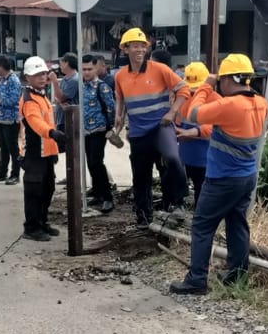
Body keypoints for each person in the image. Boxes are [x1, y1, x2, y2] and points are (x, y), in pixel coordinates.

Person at [169, 54, 267, 296]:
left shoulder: (229, 105)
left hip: (223, 177)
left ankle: (197, 279)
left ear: (227, 80)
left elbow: (192, 114)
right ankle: (237, 274)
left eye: (221, 80)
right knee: (237, 224)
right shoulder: (260, 102)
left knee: (202, 226)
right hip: (247, 176)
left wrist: (205, 85)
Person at [112, 28, 190, 228]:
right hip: (138, 132)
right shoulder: (121, 76)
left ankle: (179, 202)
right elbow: (121, 101)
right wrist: (118, 122)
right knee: (141, 176)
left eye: (142, 46)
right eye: (135, 46)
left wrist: (172, 113)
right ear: (125, 50)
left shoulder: (160, 69)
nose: (139, 50)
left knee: (173, 159)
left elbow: (183, 89)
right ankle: (144, 217)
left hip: (161, 126)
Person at [19, 57, 67, 241]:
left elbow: (48, 120)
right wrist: (52, 133)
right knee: (34, 191)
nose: (42, 77)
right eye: (37, 75)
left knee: (48, 189)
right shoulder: (30, 98)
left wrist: (55, 147)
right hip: (33, 153)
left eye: (44, 74)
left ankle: (42, 221)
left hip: (46, 152)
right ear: (27, 78)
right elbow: (36, 123)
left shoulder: (42, 95)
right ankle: (31, 227)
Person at [81, 55, 116, 215]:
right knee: (90, 163)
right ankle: (97, 192)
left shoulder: (102, 87)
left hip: (99, 130)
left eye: (89, 69)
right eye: (84, 69)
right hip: (85, 131)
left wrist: (112, 127)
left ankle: (108, 197)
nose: (86, 72)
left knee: (96, 162)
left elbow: (111, 108)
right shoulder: (82, 87)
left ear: (96, 68)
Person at [176, 62, 214, 200]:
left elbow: (215, 128)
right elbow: (178, 121)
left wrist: (193, 132)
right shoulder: (184, 99)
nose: (194, 91)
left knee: (202, 190)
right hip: (187, 155)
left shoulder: (216, 100)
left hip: (206, 157)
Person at [0, 55, 23, 185]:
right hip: (1, 118)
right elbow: (0, 99)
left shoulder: (14, 81)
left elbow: (14, 100)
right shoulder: (2, 80)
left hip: (11, 119)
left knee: (13, 148)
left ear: (1, 66)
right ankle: (2, 172)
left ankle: (15, 174)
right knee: (3, 147)